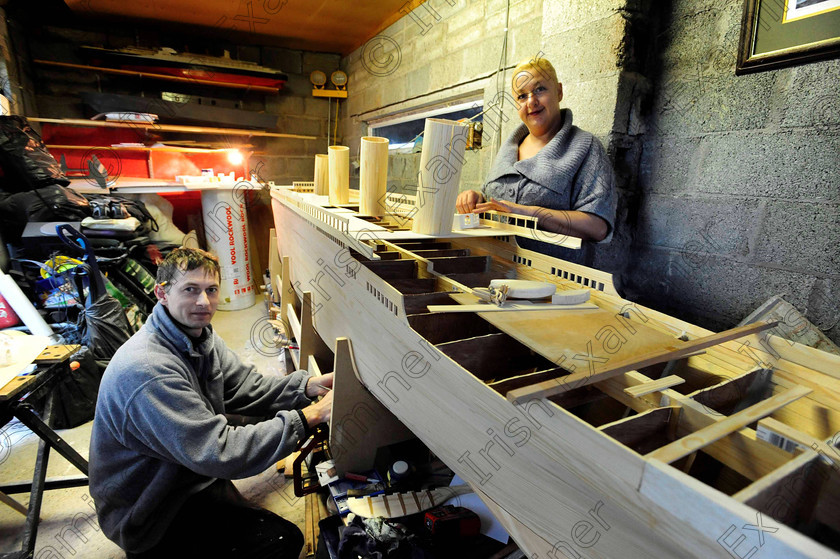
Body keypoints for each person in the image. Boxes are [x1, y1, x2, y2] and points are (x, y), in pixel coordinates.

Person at [89, 247, 333, 558]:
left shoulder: (199, 336)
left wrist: (307, 387)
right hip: (150, 513)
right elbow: (219, 451)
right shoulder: (147, 370)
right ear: (161, 293)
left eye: (211, 290)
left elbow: (246, 387)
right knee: (282, 541)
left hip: (181, 475)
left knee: (256, 427)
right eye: (190, 290)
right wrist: (309, 417)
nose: (203, 302)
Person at [456, 56, 616, 264]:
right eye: (522, 96)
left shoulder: (584, 147)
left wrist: (527, 214)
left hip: (553, 283)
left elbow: (598, 227)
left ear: (558, 91)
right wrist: (476, 197)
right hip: (496, 272)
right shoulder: (508, 148)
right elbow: (494, 200)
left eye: (539, 89)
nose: (531, 101)